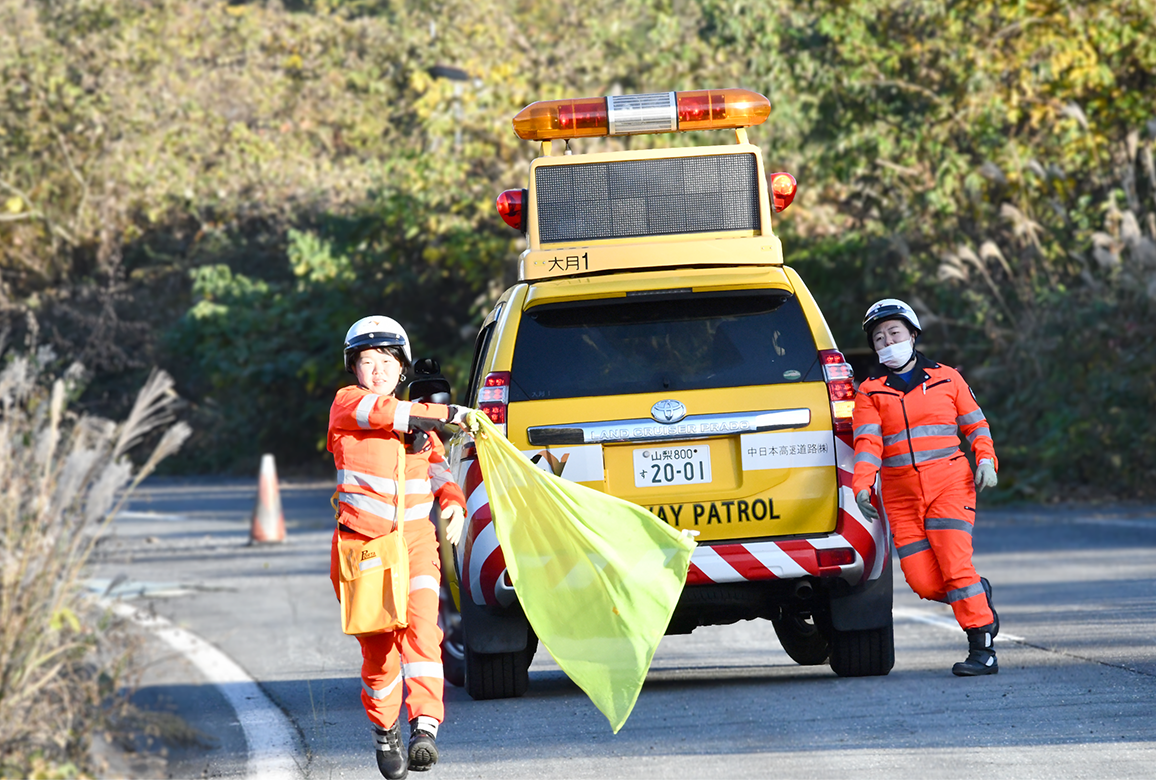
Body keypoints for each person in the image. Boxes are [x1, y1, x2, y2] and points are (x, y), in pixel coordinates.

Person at [328, 315, 473, 778]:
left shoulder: (416, 423)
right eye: (368, 362)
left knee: (424, 633)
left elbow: (438, 469)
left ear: (402, 367)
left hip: (415, 546)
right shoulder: (348, 404)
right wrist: (452, 414)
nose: (378, 371)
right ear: (354, 368)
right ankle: (384, 728)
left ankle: (424, 728)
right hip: (364, 552)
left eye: (388, 362)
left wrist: (453, 502)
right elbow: (389, 413)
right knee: (380, 654)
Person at [851, 299, 1001, 676]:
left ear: (913, 335)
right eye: (879, 339)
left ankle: (982, 648)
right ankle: (978, 593)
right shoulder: (870, 392)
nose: (888, 343)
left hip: (950, 485)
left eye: (894, 333)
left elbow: (976, 425)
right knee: (924, 582)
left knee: (954, 566)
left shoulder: (947, 378)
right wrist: (862, 484)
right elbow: (867, 443)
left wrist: (986, 459)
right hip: (901, 498)